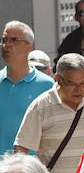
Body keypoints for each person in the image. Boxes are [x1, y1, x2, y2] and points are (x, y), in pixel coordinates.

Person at [1, 21, 54, 152]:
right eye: (4, 40)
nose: (7, 45)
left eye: (14, 40)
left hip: (32, 169)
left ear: (29, 47)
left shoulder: (47, 85)